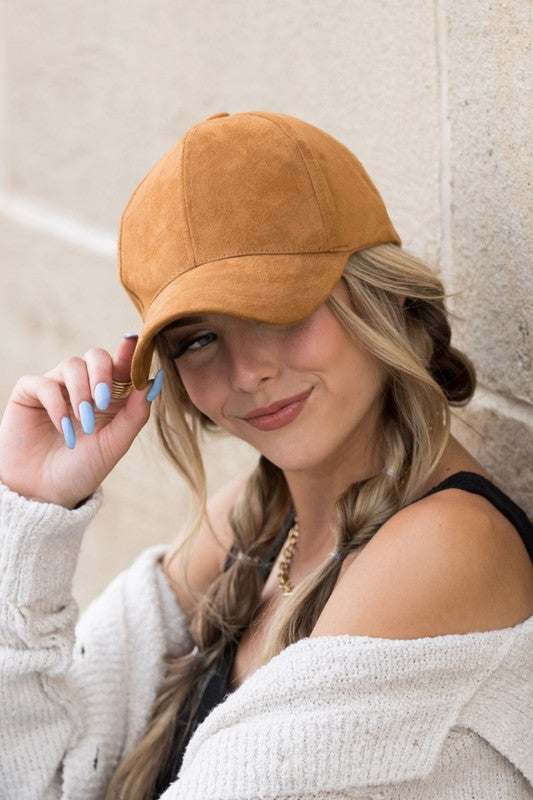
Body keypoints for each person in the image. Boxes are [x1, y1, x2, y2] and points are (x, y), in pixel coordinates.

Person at [0, 111, 531, 800]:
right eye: (198, 339)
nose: (247, 371)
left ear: (385, 295)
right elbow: (41, 779)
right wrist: (35, 506)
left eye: (278, 311)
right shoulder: (254, 525)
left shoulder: (444, 548)